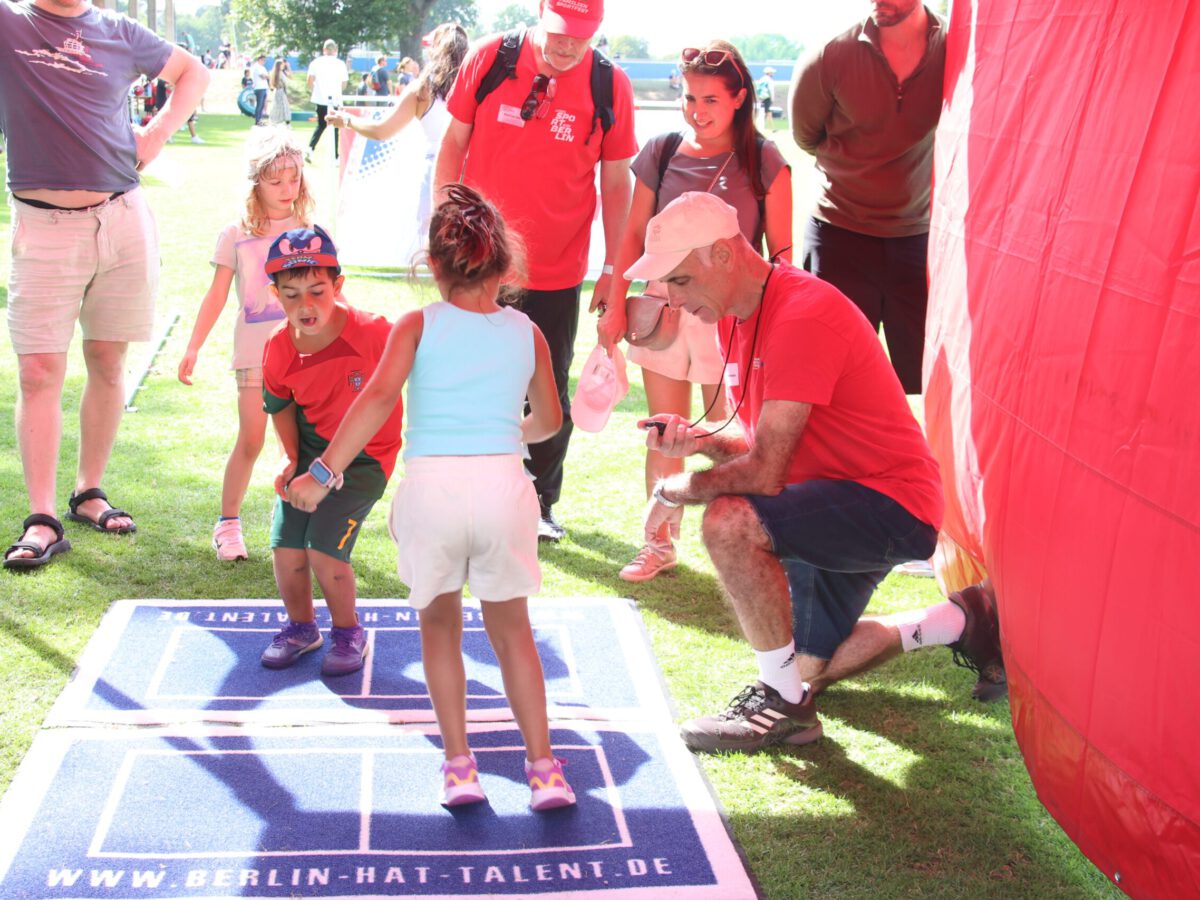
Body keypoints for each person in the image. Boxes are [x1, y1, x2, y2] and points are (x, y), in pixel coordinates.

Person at [625, 192, 1005, 753]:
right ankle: (958, 618)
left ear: (724, 256)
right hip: (833, 498)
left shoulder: (801, 315)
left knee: (728, 522)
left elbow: (765, 474)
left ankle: (783, 708)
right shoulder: (741, 314)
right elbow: (765, 448)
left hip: (889, 504)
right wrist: (700, 439)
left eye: (680, 281)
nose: (674, 301)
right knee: (807, 668)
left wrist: (674, 491)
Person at [288, 185, 574, 811]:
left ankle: (460, 767)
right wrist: (504, 434)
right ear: (504, 266)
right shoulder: (527, 331)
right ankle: (544, 770)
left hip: (433, 493)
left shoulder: (416, 324)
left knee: (440, 627)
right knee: (514, 635)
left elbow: (376, 402)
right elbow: (550, 421)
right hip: (505, 490)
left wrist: (322, 473)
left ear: (435, 266)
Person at [0, 0, 209, 571]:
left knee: (108, 360)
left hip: (122, 216)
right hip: (42, 226)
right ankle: (42, 519)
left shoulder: (119, 31)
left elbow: (194, 72)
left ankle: (88, 491)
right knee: (39, 370)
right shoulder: (10, 22)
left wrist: (158, 133)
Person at [434, 0, 637, 543]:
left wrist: (614, 269)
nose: (568, 47)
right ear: (540, 15)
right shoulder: (490, 57)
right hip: (479, 261)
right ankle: (466, 494)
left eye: (581, 37)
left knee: (546, 391)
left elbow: (617, 185)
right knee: (467, 382)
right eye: (559, 34)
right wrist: (443, 232)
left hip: (555, 269)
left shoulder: (608, 84)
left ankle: (539, 501)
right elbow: (453, 145)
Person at [598, 40, 792, 583]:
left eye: (710, 99)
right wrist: (614, 300)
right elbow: (632, 233)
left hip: (729, 318)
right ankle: (657, 543)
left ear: (739, 99)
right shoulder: (660, 150)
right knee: (665, 433)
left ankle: (741, 544)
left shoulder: (766, 159)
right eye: (689, 97)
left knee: (730, 439)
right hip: (662, 308)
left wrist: (774, 327)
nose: (697, 111)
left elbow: (780, 256)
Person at [256, 225, 403, 677]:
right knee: (286, 548)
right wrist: (289, 456)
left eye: (317, 291)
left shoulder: (377, 333)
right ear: (276, 295)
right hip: (311, 451)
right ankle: (302, 628)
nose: (305, 305)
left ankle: (347, 632)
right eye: (292, 294)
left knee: (324, 550)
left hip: (365, 457)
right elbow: (279, 403)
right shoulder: (278, 348)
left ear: (338, 286)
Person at [790, 1, 946, 396]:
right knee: (828, 383)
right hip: (838, 236)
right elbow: (806, 136)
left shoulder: (954, 49)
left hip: (920, 240)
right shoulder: (831, 54)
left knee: (930, 385)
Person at [177, 128, 314, 561]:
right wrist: (193, 347)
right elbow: (216, 294)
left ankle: (297, 527)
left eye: (293, 178)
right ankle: (228, 525)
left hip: (304, 353)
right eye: (277, 181)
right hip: (255, 353)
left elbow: (326, 295)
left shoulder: (309, 230)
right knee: (252, 440)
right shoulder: (235, 233)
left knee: (301, 445)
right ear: (257, 181)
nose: (287, 189)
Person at [327, 24, 468, 248]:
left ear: (435, 50)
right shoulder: (477, 86)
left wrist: (347, 120)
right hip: (470, 174)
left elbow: (381, 130)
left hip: (437, 174)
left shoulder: (421, 89)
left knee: (434, 244)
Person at [306, 39, 348, 160]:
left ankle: (310, 148)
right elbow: (344, 84)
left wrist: (316, 90)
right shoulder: (340, 64)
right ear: (335, 50)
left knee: (320, 125)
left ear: (324, 50)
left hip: (321, 99)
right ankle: (335, 156)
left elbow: (309, 81)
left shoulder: (315, 63)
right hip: (334, 99)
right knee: (335, 127)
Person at [268, 57, 291, 126]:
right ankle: (286, 122)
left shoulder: (273, 73)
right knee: (284, 107)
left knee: (276, 106)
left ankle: (274, 121)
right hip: (281, 91)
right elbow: (285, 83)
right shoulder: (280, 73)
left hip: (276, 91)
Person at [250, 53, 270, 125]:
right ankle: (257, 120)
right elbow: (263, 76)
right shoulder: (256, 67)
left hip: (264, 87)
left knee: (262, 105)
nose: (264, 61)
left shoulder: (262, 67)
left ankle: (260, 119)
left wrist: (267, 76)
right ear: (259, 59)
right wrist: (267, 76)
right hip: (259, 87)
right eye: (263, 60)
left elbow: (267, 76)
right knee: (259, 104)